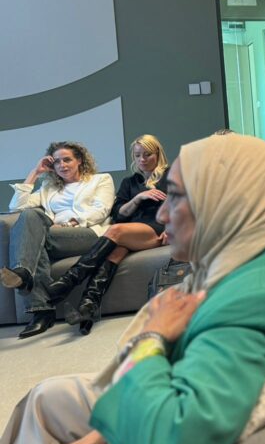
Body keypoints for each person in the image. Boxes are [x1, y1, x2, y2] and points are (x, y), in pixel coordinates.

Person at [0, 134, 265, 444]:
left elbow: (174, 443)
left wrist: (151, 339)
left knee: (45, 399)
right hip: (159, 404)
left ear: (225, 204)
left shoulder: (254, 298)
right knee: (49, 396)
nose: (163, 213)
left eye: (177, 197)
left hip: (159, 436)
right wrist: (107, 437)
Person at [46, 135, 173, 336]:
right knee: (112, 255)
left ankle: (68, 281)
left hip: (155, 229)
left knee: (114, 230)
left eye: (147, 154)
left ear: (158, 153)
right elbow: (118, 213)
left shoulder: (171, 175)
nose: (142, 159)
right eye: (138, 155)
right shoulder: (130, 182)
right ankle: (88, 307)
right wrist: (139, 197)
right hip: (131, 231)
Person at [2, 142, 115, 339]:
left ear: (79, 160)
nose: (62, 165)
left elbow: (101, 210)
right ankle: (27, 278)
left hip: (86, 234)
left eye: (67, 159)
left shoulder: (100, 180)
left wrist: (71, 222)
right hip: (55, 238)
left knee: (34, 238)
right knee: (30, 216)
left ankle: (40, 310)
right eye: (57, 162)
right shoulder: (49, 187)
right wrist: (35, 173)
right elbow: (16, 207)